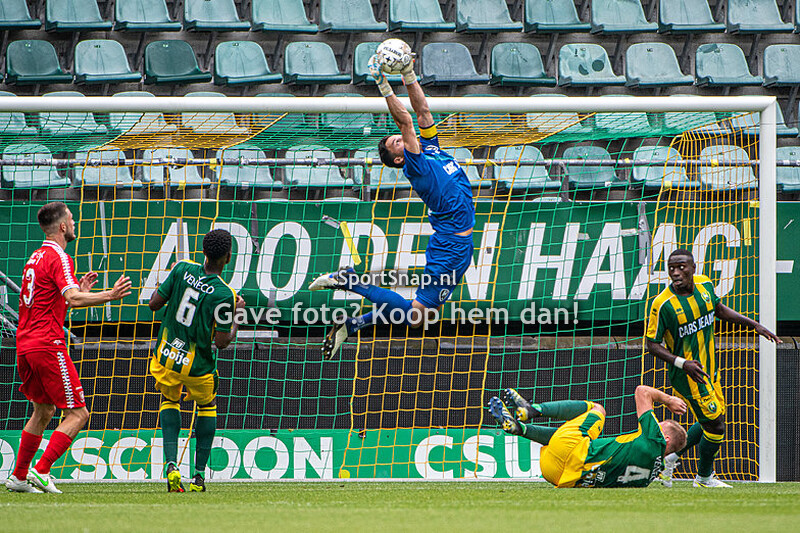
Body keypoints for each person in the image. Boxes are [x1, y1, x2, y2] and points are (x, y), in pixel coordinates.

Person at [308, 42, 475, 359]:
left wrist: (410, 74)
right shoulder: (416, 165)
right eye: (397, 142)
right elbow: (407, 121)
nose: (401, 139)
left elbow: (422, 112)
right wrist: (383, 83)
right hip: (451, 246)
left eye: (398, 139)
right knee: (416, 315)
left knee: (420, 317)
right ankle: (351, 283)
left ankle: (355, 323)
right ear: (399, 159)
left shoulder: (431, 149)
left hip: (459, 245)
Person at [5, 202, 131, 494]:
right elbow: (72, 299)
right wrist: (109, 295)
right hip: (48, 345)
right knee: (78, 414)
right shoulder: (59, 256)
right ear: (62, 226)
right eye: (71, 219)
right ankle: (42, 469)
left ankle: (19, 477)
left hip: (26, 345)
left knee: (44, 411)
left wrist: (80, 291)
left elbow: (50, 302)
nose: (74, 223)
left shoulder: (35, 257)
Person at [645, 248, 780, 488]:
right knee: (716, 425)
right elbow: (652, 345)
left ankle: (669, 459)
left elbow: (718, 310)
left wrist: (754, 325)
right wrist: (682, 362)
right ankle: (704, 478)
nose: (676, 273)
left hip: (709, 370)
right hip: (687, 375)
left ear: (693, 268)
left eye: (681, 267)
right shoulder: (662, 304)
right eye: (672, 268)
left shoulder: (705, 285)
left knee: (712, 418)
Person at [148, 229, 243, 492]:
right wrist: (237, 314)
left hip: (166, 357)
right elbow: (222, 343)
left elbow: (154, 304)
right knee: (207, 404)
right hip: (197, 366)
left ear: (202, 251)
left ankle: (170, 465)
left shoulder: (180, 269)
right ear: (228, 258)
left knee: (170, 400)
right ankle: (198, 476)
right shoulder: (226, 295)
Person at [489, 385, 688, 488]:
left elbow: (642, 392)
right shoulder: (650, 476)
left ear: (666, 440)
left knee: (597, 409)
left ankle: (534, 409)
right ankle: (520, 429)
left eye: (659, 425)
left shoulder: (655, 440)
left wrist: (668, 400)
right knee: (579, 439)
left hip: (570, 453)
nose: (655, 423)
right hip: (559, 476)